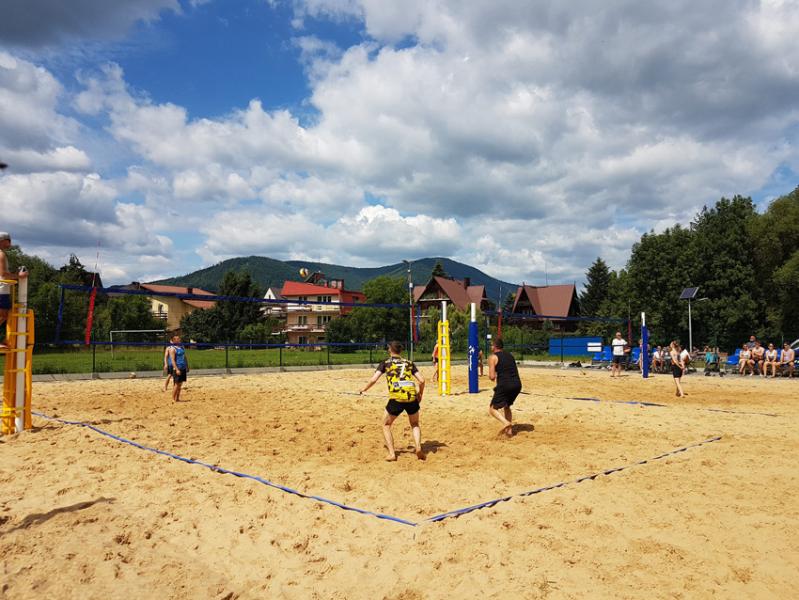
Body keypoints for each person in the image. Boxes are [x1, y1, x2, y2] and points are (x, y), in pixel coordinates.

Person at [360, 341, 426, 462]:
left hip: (397, 398)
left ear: (390, 350)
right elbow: (421, 381)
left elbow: (374, 380)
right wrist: (420, 394)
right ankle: (418, 447)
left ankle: (392, 454)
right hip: (411, 397)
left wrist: (364, 389)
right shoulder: (409, 362)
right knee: (415, 424)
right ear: (400, 351)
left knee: (386, 425)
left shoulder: (385, 363)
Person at [487, 338, 522, 438]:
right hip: (517, 385)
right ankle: (509, 432)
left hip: (505, 385)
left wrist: (492, 374)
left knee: (492, 409)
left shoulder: (492, 357)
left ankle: (506, 423)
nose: (490, 347)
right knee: (506, 406)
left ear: (494, 346)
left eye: (491, 345)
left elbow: (492, 377)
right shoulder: (510, 355)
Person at [0, 232, 27, 349]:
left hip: (3, 289)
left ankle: (5, 340)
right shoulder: (1, 254)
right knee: (3, 315)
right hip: (2, 290)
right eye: (8, 240)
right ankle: (4, 340)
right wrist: (19, 276)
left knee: (5, 315)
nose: (10, 243)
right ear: (2, 241)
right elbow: (3, 274)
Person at [167, 335, 189, 402]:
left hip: (183, 367)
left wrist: (187, 366)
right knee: (176, 384)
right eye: (176, 339)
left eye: (179, 339)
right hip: (177, 368)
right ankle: (173, 399)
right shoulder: (172, 349)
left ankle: (177, 398)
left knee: (180, 385)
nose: (178, 340)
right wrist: (176, 369)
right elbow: (173, 360)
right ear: (173, 340)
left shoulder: (182, 347)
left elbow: (185, 357)